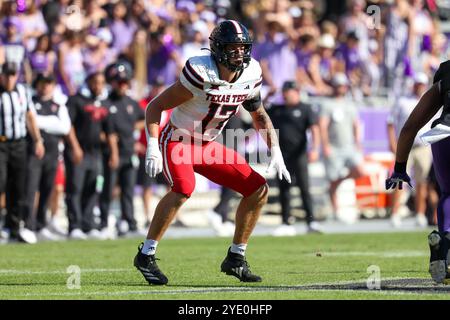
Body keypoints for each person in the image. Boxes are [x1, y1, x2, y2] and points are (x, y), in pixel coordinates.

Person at [134, 20, 291, 285]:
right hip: (179, 140)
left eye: (242, 47)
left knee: (258, 189)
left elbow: (259, 115)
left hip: (207, 145)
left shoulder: (252, 72)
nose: (239, 53)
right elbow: (155, 107)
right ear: (218, 48)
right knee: (184, 188)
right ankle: (146, 254)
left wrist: (275, 149)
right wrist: (152, 145)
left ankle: (236, 258)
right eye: (232, 47)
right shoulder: (200, 71)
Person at [386, 60, 450, 284]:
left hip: (442, 134)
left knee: (448, 194)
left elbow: (410, 126)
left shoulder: (445, 75)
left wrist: (400, 168)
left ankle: (444, 244)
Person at [64, 71, 119, 240]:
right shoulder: (76, 100)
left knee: (93, 187)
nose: (98, 86)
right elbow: (68, 125)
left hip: (96, 153)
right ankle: (75, 225)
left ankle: (88, 224)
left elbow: (109, 131)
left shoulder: (104, 103)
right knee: (75, 188)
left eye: (102, 83)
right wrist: (75, 147)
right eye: (95, 82)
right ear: (88, 82)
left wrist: (114, 153)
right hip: (79, 151)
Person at [268, 80, 322, 236]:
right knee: (284, 188)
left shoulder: (305, 109)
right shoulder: (277, 109)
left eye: (291, 91)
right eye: (286, 91)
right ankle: (286, 222)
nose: (288, 94)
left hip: (299, 154)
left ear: (297, 92)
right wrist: (269, 96)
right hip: (281, 156)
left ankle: (311, 221)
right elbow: (260, 113)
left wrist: (315, 149)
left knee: (304, 188)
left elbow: (314, 129)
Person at [0, 62, 45, 243]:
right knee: (1, 182)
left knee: (18, 186)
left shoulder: (22, 92)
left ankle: (14, 225)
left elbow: (29, 116)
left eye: (13, 75)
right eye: (7, 75)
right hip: (1, 144)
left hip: (19, 144)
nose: (10, 79)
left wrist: (38, 139)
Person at [99, 61, 145, 237]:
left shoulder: (131, 103)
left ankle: (129, 221)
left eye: (125, 82)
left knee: (128, 189)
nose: (122, 85)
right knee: (108, 188)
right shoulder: (105, 103)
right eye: (119, 82)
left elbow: (144, 118)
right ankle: (104, 221)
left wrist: (133, 129)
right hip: (110, 153)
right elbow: (97, 129)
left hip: (128, 151)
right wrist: (107, 138)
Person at [23, 73, 71, 241]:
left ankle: (41, 224)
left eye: (49, 83)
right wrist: (51, 122)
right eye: (43, 83)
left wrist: (39, 121)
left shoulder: (58, 104)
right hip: (34, 151)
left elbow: (64, 127)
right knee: (31, 188)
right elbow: (28, 120)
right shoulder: (30, 100)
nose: (45, 87)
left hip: (52, 152)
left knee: (47, 188)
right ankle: (28, 225)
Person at [387, 72, 433, 228]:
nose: (419, 87)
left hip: (423, 146)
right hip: (405, 146)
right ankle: (395, 213)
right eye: (417, 84)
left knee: (422, 181)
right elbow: (391, 123)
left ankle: (420, 213)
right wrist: (393, 144)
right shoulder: (402, 101)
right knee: (399, 180)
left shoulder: (430, 100)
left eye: (422, 84)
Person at [318, 73, 365, 220]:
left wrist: (358, 143)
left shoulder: (350, 104)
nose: (341, 88)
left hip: (348, 146)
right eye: (338, 85)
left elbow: (356, 124)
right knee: (332, 178)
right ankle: (335, 210)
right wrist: (325, 145)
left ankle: (339, 182)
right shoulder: (327, 104)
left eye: (343, 85)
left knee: (360, 170)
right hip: (334, 147)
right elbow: (323, 126)